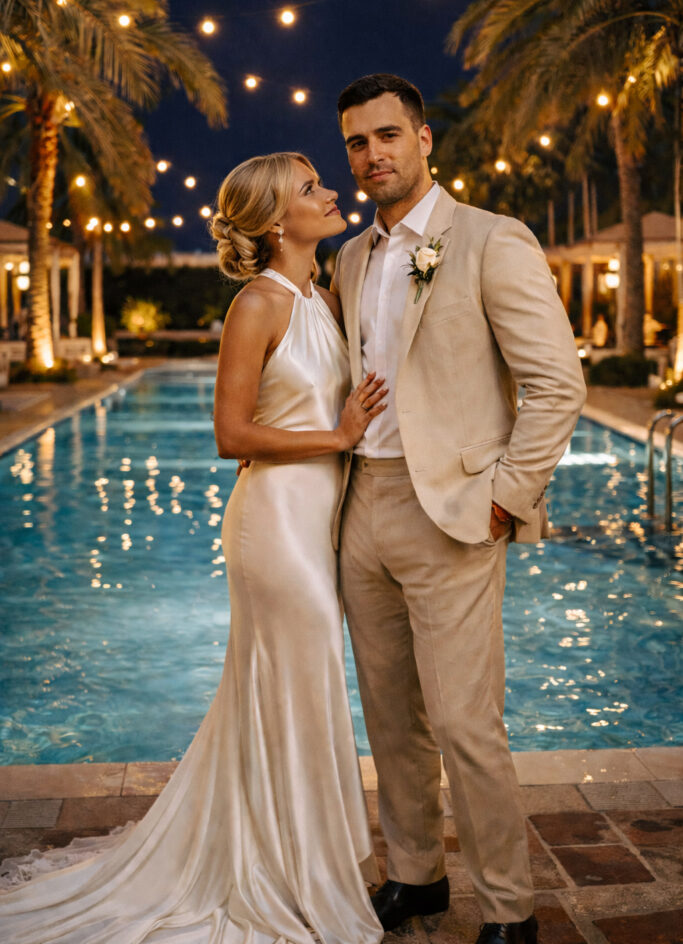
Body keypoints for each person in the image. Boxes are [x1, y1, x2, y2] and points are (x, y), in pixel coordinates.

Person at [0, 152, 386, 944]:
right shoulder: (258, 304)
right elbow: (230, 434)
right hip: (274, 526)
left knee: (292, 690)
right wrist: (338, 434)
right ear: (278, 221)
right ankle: (285, 873)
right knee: (294, 685)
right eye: (312, 188)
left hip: (317, 522)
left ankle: (289, 857)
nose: (331, 192)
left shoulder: (325, 294)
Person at [331, 74, 587, 944]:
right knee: (389, 715)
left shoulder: (488, 239)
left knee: (466, 723)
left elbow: (557, 384)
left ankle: (509, 910)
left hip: (453, 510)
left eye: (387, 136)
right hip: (361, 504)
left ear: (425, 138)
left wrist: (505, 499)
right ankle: (416, 877)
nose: (372, 155)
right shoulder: (348, 257)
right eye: (357, 143)